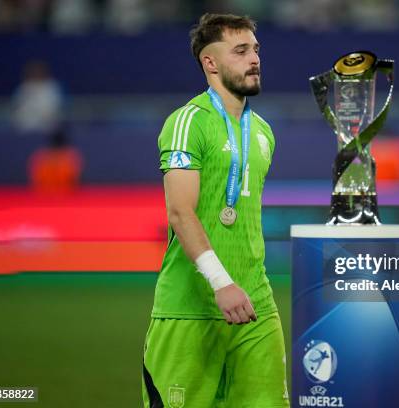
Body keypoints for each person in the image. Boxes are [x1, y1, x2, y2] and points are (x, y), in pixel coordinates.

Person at [142, 13, 290, 408]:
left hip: (255, 306)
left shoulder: (263, 132)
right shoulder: (187, 122)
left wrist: (239, 287)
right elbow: (181, 214)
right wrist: (221, 282)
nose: (254, 59)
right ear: (210, 63)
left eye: (256, 49)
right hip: (189, 310)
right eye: (240, 51)